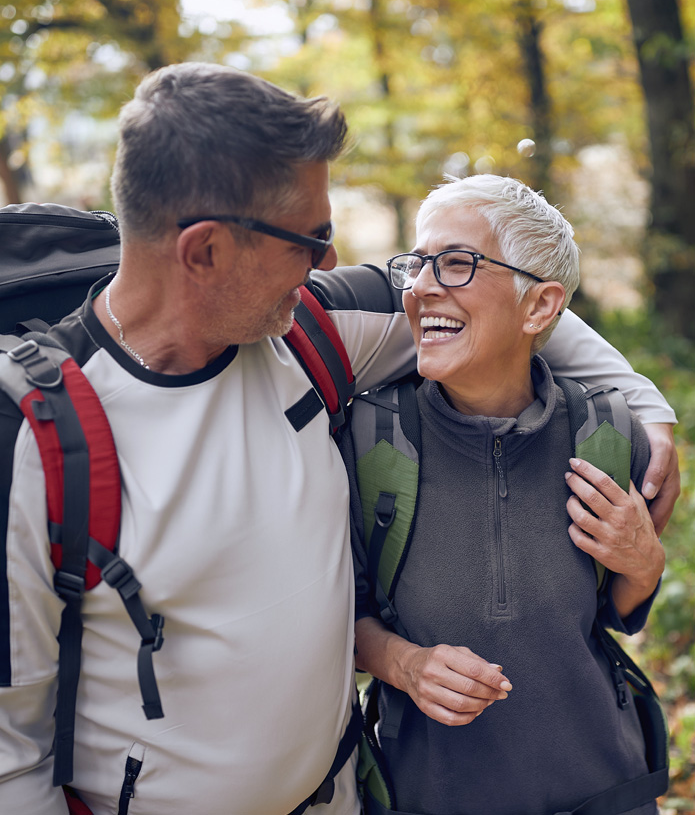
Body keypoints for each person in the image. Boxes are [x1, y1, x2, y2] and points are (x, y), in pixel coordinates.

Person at [0, 63, 678, 815]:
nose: (328, 262)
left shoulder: (312, 331)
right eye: (309, 239)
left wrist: (645, 410)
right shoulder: (35, 432)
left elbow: (503, 305)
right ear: (204, 252)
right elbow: (11, 751)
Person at [348, 174, 669, 815]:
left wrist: (644, 563)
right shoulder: (364, 440)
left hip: (609, 793)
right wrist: (404, 663)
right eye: (418, 264)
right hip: (428, 798)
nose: (420, 286)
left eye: (457, 263)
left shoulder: (605, 432)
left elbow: (615, 613)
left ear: (540, 307)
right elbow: (337, 617)